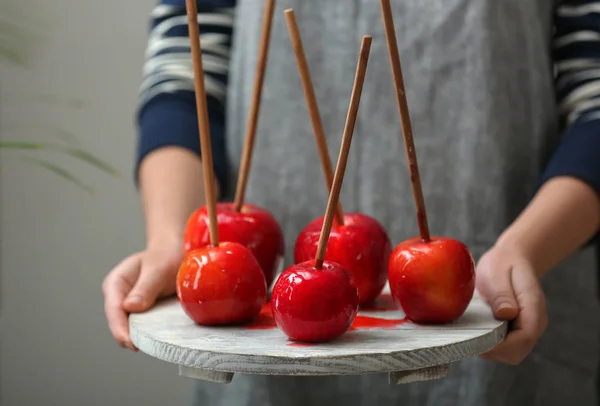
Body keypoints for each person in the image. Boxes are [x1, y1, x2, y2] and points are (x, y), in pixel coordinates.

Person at [103, 0, 600, 404]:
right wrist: (175, 241)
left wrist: (526, 250)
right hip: (261, 359)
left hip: (509, 290)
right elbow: (186, 66)